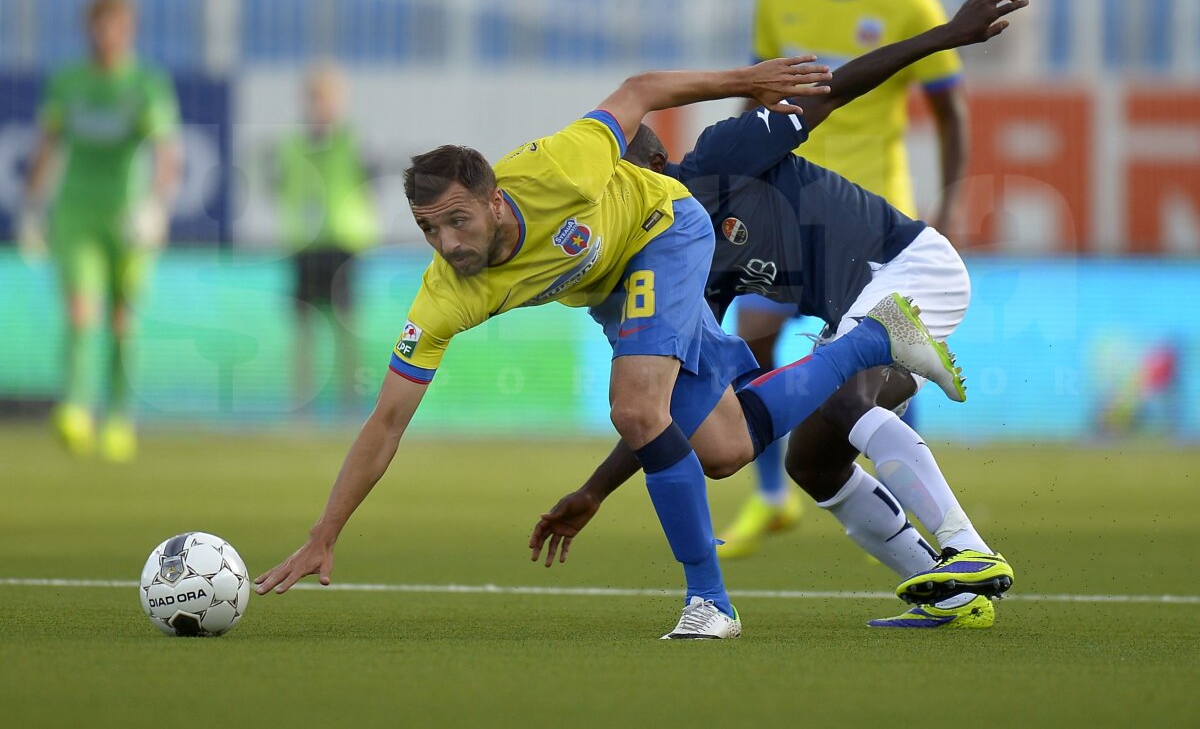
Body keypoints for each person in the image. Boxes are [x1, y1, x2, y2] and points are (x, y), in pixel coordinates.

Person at [253, 56, 965, 639]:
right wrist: (324, 531)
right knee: (723, 448)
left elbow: (640, 90)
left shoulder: (560, 166)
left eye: (457, 221)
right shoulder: (445, 293)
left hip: (667, 228)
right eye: (428, 229)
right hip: (609, 286)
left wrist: (746, 82)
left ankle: (709, 603)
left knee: (635, 408)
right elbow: (385, 422)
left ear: (496, 200)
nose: (448, 244)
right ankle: (878, 335)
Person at [529, 0, 1026, 628]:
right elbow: (663, 402)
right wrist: (595, 490)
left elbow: (834, 90)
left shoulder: (718, 159)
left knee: (844, 393)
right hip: (859, 306)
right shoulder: (678, 259)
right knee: (811, 461)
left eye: (624, 180)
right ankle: (956, 597)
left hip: (907, 266)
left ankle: (967, 550)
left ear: (658, 162)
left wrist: (945, 35)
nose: (616, 200)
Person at [723, 0, 971, 557]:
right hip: (787, 213)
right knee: (753, 331)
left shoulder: (908, 4)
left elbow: (949, 114)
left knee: (875, 368)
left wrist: (950, 203)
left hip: (871, 215)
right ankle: (772, 494)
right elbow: (759, 98)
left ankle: (919, 507)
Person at [20, 0, 181, 462]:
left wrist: (155, 207)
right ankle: (74, 406)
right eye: (100, 25)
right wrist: (32, 206)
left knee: (120, 320)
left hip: (126, 216)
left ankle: (119, 415)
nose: (107, 35)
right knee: (80, 311)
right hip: (76, 214)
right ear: (90, 28)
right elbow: (48, 145)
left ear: (127, 29)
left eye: (116, 25)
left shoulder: (146, 84)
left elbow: (166, 154)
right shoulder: (68, 82)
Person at [277, 63, 377, 414]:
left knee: (346, 328)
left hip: (342, 244)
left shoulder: (350, 141)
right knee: (304, 331)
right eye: (317, 99)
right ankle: (301, 406)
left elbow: (367, 183)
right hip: (305, 245)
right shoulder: (292, 146)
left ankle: (351, 406)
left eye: (329, 99)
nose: (322, 107)